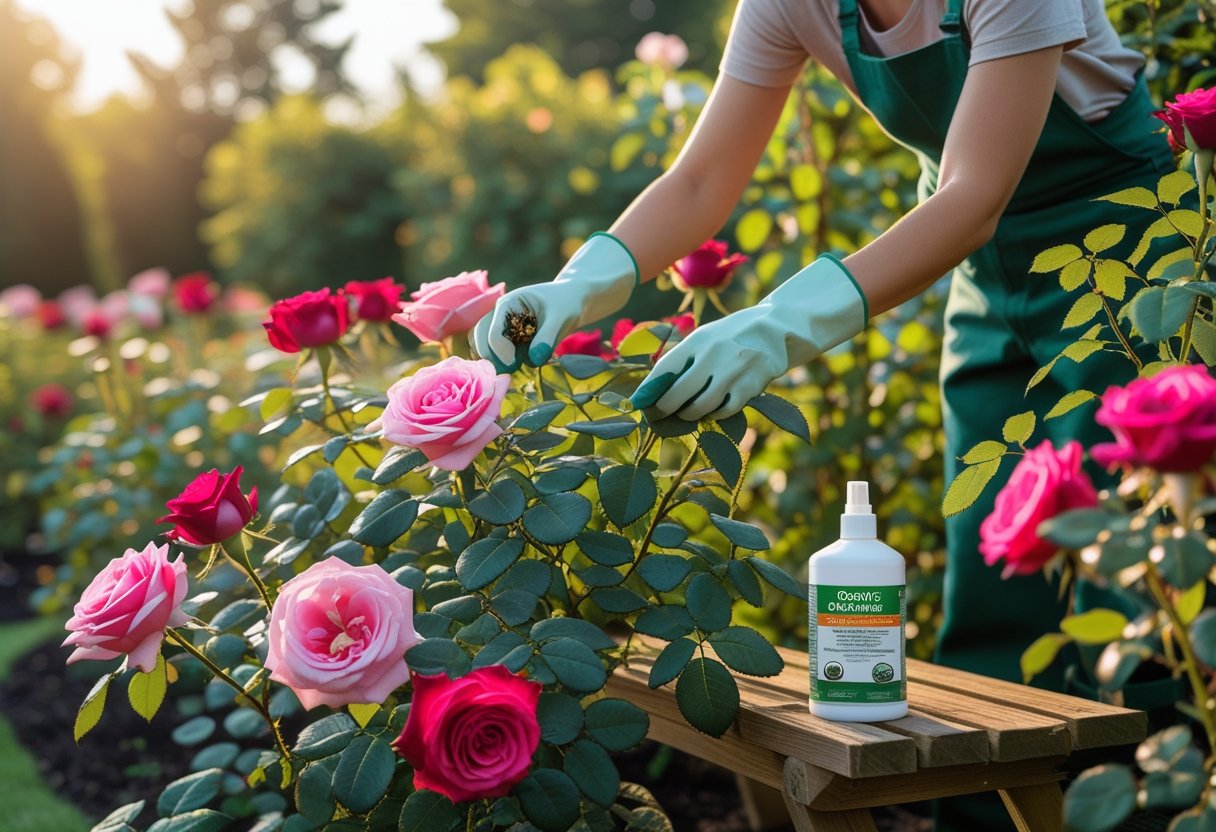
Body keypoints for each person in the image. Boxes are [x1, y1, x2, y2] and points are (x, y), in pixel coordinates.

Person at [473, 1, 1177, 827]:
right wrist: (579, 283)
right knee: (992, 566)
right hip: (985, 269)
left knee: (1139, 563)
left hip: (1122, 242)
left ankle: (1168, 800)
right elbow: (701, 180)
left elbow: (975, 190)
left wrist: (781, 323)